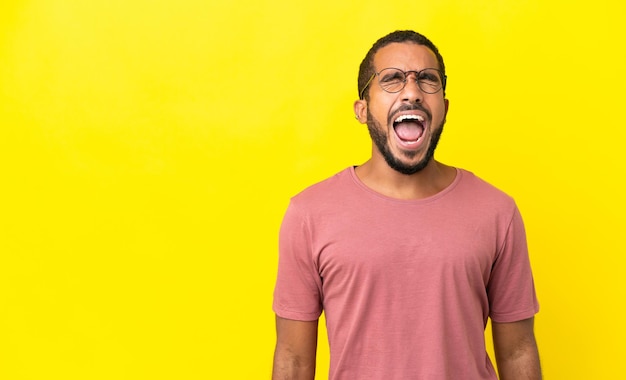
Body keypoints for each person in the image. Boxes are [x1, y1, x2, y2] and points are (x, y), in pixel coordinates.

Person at [272, 30, 541, 380]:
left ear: (444, 107)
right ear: (363, 110)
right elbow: (293, 358)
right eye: (392, 79)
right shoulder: (308, 214)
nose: (412, 92)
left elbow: (518, 350)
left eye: (428, 80)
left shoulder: (497, 212)